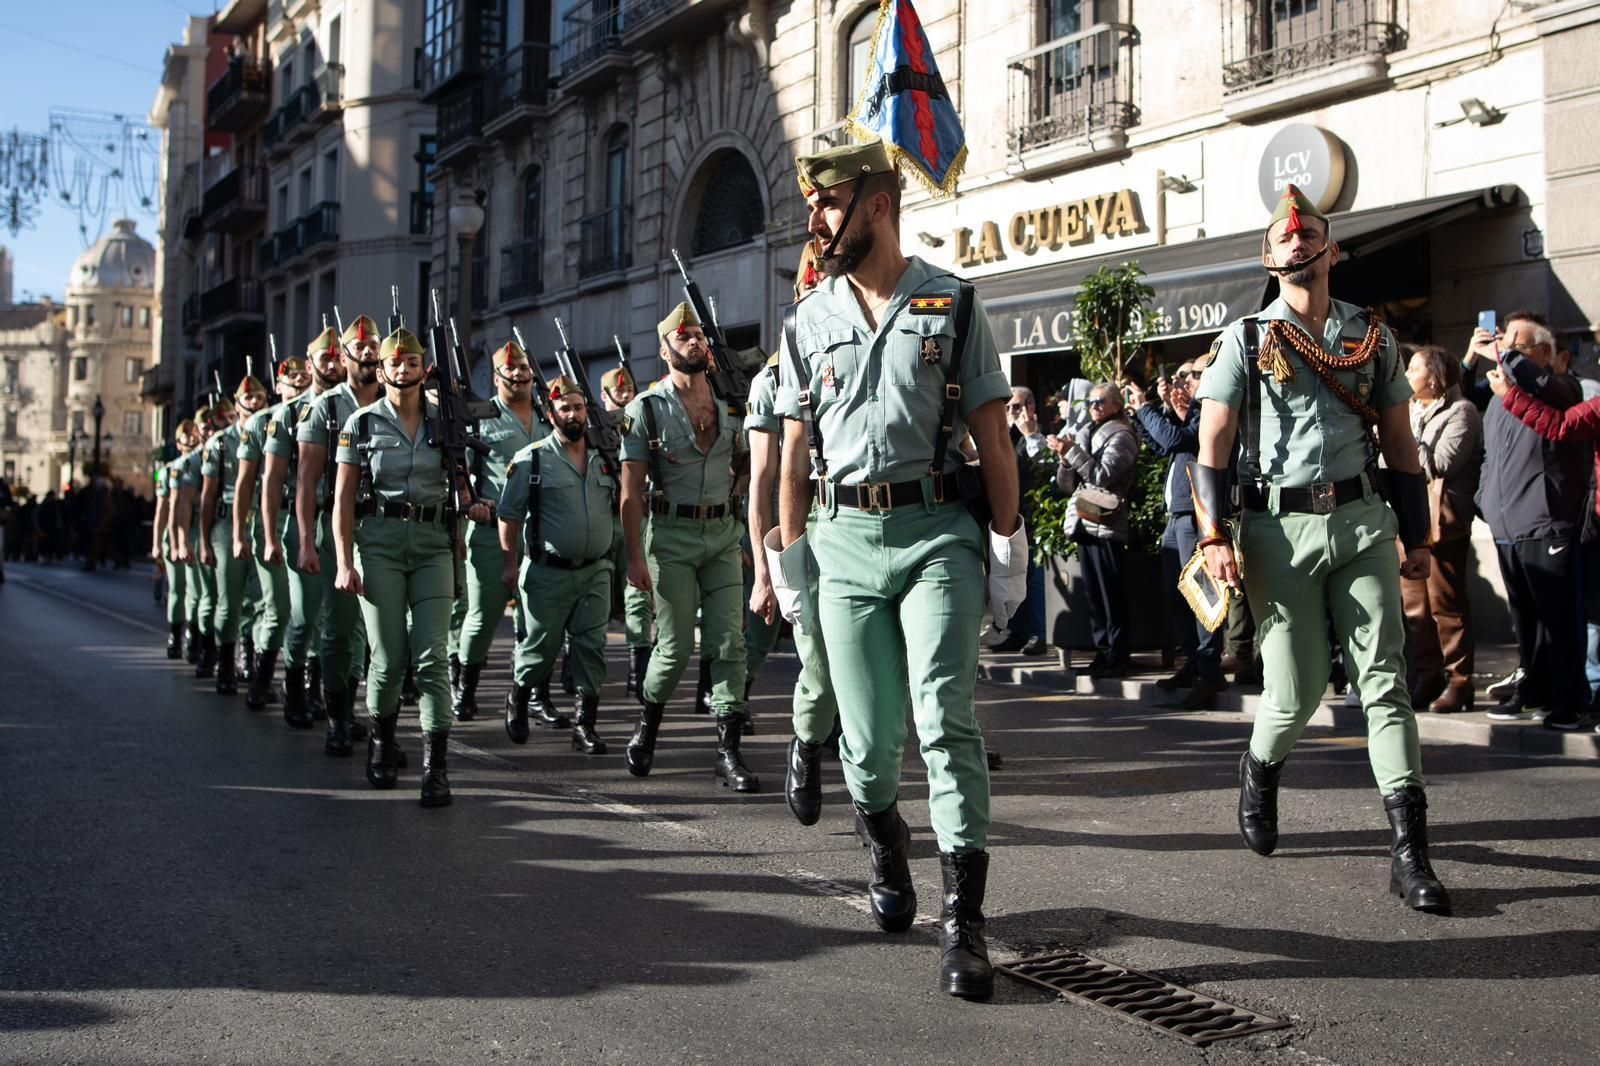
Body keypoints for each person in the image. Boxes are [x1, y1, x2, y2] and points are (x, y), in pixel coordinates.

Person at [772, 141, 1025, 999]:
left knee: (945, 719)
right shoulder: (806, 321)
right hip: (842, 542)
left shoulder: (952, 302)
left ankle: (965, 926)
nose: (816, 220)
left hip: (935, 536)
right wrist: (788, 557)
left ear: (877, 204)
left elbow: (992, 437)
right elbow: (795, 455)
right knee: (871, 747)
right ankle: (884, 837)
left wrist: (1006, 547)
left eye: (829, 202)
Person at [1193, 184, 1448, 914]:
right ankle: (1260, 767)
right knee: (1297, 691)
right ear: (1268, 258)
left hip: (1362, 519)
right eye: (1285, 239)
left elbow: (1399, 443)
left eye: (1310, 238)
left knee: (1384, 681)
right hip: (1277, 531)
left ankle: (1411, 854)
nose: (1298, 244)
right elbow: (1212, 446)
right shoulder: (1244, 338)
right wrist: (1214, 537)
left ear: (1331, 251)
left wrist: (1417, 536)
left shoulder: (1372, 336)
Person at [332, 326, 493, 806]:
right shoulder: (359, 425)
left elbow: (461, 484)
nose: (404, 371)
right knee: (387, 659)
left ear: (425, 370)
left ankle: (435, 767)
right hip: (378, 545)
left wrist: (473, 504)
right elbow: (342, 499)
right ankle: (382, 744)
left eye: (412, 363)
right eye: (395, 364)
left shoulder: (445, 423)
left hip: (433, 545)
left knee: (431, 657)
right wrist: (343, 561)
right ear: (381, 372)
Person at [618, 302, 756, 791]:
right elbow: (631, 492)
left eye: (698, 335)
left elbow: (745, 466)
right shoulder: (645, 411)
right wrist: (634, 556)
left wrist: (740, 499)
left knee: (730, 643)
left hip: (721, 536)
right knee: (674, 649)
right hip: (671, 538)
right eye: (683, 337)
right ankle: (647, 727)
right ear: (665, 349)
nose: (694, 341)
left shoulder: (729, 407)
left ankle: (728, 753)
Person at [1462, 313, 1591, 730]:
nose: (1508, 351)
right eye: (1505, 344)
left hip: (1547, 520)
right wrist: (1470, 359)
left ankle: (1569, 699)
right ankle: (1533, 687)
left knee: (1559, 620)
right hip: (1506, 522)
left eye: (1519, 345)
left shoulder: (1565, 388)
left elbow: (1545, 389)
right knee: (1525, 619)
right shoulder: (1501, 392)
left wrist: (1508, 355)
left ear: (1551, 355)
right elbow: (1465, 396)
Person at [748, 327, 838, 824]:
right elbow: (762, 482)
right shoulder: (773, 377)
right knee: (822, 675)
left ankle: (876, 811)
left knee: (879, 684)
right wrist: (766, 572)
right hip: (808, 534)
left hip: (868, 532)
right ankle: (805, 748)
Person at [498, 376, 616, 752]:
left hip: (596, 570)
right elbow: (509, 515)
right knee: (541, 649)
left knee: (591, 647)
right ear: (550, 414)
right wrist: (510, 564)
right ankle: (519, 696)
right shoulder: (531, 459)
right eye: (565, 408)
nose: (573, 415)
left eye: (579, 407)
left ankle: (585, 726)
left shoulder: (606, 458)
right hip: (548, 572)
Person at [298, 315, 382, 757]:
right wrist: (307, 541)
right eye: (361, 348)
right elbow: (306, 481)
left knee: (368, 633)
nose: (369, 354)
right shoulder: (325, 408)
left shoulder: (397, 400)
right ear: (346, 356)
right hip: (341, 527)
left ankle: (353, 709)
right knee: (339, 627)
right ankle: (337, 718)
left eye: (375, 347)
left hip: (387, 527)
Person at [450, 340, 546, 723]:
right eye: (512, 369)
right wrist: (468, 509)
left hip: (540, 532)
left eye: (524, 368)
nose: (520, 374)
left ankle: (534, 693)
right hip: (491, 532)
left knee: (537, 617)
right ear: (496, 376)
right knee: (483, 616)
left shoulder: (546, 414)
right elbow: (459, 474)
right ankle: (465, 687)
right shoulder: (480, 417)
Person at [1130, 358, 1228, 708]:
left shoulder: (1213, 407)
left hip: (1197, 515)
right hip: (1178, 515)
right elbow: (1160, 445)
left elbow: (1176, 441)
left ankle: (1209, 670)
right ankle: (1193, 661)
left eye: (1189, 375)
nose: (1182, 381)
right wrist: (1149, 412)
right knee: (1179, 594)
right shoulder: (1193, 412)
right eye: (1179, 376)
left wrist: (1147, 409)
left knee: (1202, 595)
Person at [1400, 346, 1483, 713]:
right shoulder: (1409, 412)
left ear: (1433, 378)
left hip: (1443, 521)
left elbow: (1441, 463)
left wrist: (1402, 438)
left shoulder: (1461, 411)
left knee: (1445, 603)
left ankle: (1460, 680)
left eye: (1413, 369)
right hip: (1408, 519)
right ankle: (1428, 674)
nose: (1406, 375)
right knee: (1414, 606)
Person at [1049, 382, 1139, 678]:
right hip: (1084, 518)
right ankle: (1103, 652)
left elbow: (1101, 476)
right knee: (1093, 594)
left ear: (1116, 404)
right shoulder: (1088, 432)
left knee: (1110, 591)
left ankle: (1118, 653)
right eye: (1091, 403)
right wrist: (1065, 459)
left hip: (1107, 522)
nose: (1094, 407)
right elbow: (1068, 486)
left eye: (1100, 401)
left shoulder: (1122, 435)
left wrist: (1073, 452)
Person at [236, 358, 311, 711]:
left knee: (309, 610)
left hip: (305, 517)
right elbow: (248, 482)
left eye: (303, 376)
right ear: (278, 387)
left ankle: (306, 684)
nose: (299, 382)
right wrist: (246, 533)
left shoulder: (319, 412)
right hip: (273, 517)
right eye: (290, 378)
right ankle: (261, 678)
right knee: (277, 608)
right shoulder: (262, 423)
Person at [199, 375, 269, 697]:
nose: (255, 403)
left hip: (265, 522)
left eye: (260, 397)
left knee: (264, 601)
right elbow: (208, 496)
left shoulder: (274, 433)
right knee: (229, 601)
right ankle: (225, 663)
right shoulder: (219, 443)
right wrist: (204, 540)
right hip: (227, 526)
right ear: (237, 402)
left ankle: (252, 664)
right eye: (249, 398)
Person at [600, 366, 655, 696]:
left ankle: (638, 671)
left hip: (637, 519)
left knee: (638, 598)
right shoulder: (593, 429)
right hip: (603, 522)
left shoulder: (642, 426)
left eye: (628, 390)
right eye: (618, 392)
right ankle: (572, 659)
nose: (625, 395)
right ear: (604, 396)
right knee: (593, 602)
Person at [174, 401, 233, 680]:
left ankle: (237, 654)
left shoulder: (233, 448)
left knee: (236, 599)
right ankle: (207, 649)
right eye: (206, 426)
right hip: (204, 530)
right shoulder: (194, 460)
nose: (212, 429)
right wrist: (184, 540)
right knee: (207, 595)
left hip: (233, 526)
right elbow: (184, 504)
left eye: (217, 423)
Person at [991, 386, 1048, 655]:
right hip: (1010, 516)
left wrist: (1031, 433)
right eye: (1008, 408)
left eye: (1017, 407)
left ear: (1031, 407)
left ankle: (1038, 633)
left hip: (1033, 515)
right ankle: (1017, 631)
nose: (1011, 413)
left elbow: (1044, 467)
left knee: (1034, 579)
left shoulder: (1035, 435)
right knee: (1014, 575)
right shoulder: (1005, 436)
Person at [152, 422, 200, 659]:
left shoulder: (204, 462)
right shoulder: (168, 470)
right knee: (178, 589)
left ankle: (193, 636)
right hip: (175, 532)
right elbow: (163, 509)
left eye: (194, 436)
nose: (191, 441)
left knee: (195, 590)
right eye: (185, 438)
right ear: (178, 443)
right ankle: (175, 635)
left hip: (195, 531)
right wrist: (158, 544)